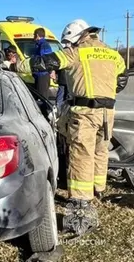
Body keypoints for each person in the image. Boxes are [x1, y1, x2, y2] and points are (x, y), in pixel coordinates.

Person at [10, 19, 128, 232]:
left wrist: (15, 65)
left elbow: (43, 63)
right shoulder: (112, 54)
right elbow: (122, 77)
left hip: (83, 113)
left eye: (68, 42)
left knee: (81, 155)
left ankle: (81, 206)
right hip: (107, 112)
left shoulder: (76, 53)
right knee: (101, 150)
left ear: (76, 37)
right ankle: (98, 188)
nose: (68, 46)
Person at [33, 28, 53, 99]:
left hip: (43, 74)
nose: (33, 37)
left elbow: (47, 59)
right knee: (38, 95)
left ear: (37, 35)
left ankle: (44, 110)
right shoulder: (39, 44)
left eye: (34, 35)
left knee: (43, 97)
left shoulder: (44, 45)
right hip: (39, 74)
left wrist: (50, 71)